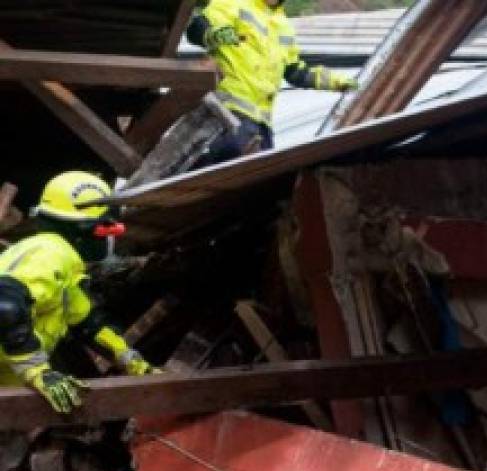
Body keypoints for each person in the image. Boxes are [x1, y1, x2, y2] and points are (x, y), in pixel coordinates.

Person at [0, 172, 157, 413]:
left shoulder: (63, 267)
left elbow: (88, 324)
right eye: (109, 229)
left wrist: (132, 361)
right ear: (88, 230)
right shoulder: (49, 253)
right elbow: (5, 305)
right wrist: (38, 371)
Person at [186, 0, 359, 167]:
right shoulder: (234, 3)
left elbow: (295, 72)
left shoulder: (283, 25)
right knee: (231, 167)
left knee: (264, 176)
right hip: (228, 112)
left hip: (261, 123)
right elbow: (196, 28)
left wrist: (338, 82)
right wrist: (212, 35)